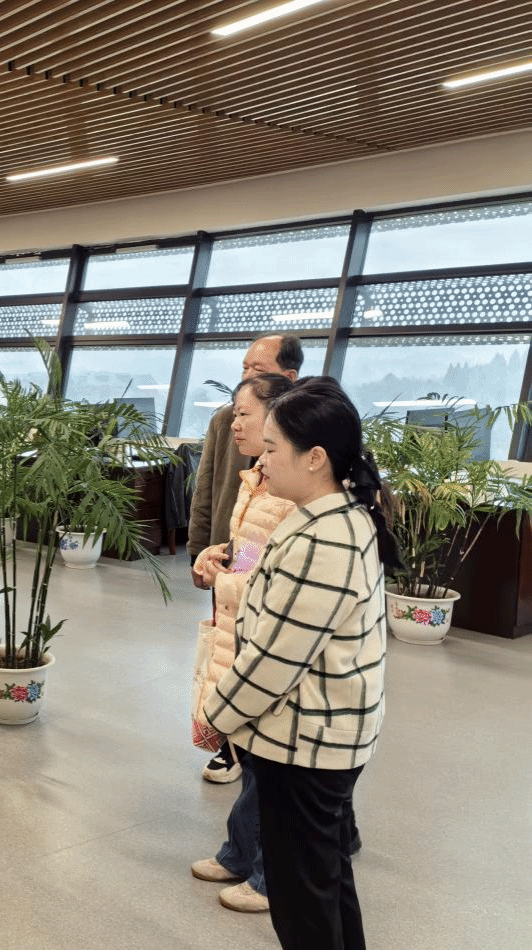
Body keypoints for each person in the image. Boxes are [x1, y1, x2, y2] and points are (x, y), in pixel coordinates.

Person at [202, 376, 402, 950]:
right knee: (325, 882)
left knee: (303, 903)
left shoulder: (325, 538)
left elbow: (274, 661)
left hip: (307, 744)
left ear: (315, 458)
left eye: (271, 449)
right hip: (320, 735)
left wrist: (216, 716)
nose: (261, 462)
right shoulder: (325, 516)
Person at [189, 373, 295, 914]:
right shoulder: (255, 477)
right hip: (238, 626)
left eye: (243, 414)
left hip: (263, 635)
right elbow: (250, 550)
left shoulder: (295, 493)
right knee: (249, 752)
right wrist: (218, 556)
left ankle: (270, 876)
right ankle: (240, 853)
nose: (233, 424)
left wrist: (228, 579)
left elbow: (282, 581)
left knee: (270, 763)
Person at [188, 333, 302, 784]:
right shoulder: (237, 442)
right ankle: (231, 745)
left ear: (287, 381)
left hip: (262, 595)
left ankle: (244, 749)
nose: (247, 376)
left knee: (249, 664)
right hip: (230, 569)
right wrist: (205, 552)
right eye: (244, 368)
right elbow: (208, 490)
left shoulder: (296, 473)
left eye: (259, 371)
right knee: (225, 656)